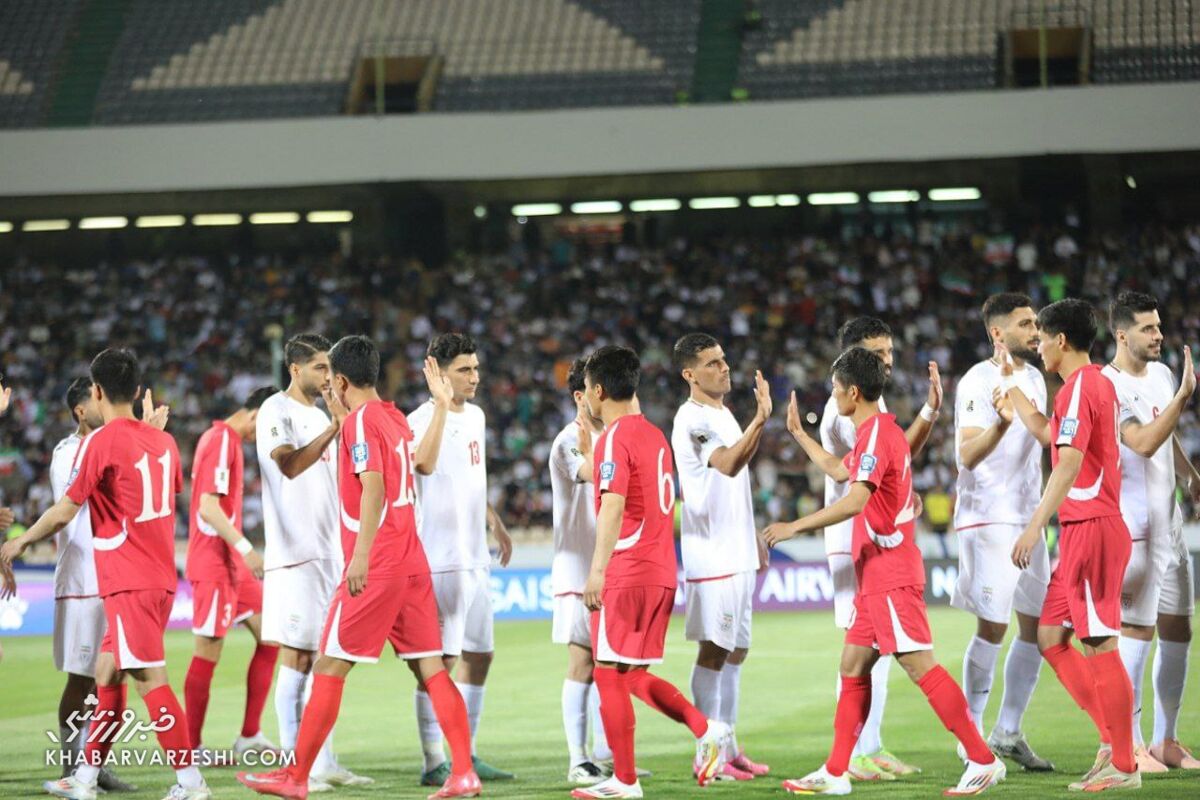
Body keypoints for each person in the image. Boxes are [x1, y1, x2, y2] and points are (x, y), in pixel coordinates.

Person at [238, 335, 481, 800]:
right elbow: (420, 464)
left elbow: (373, 487)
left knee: (328, 666)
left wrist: (361, 556)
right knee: (432, 669)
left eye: (333, 378)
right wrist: (437, 406)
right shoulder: (390, 416)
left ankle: (296, 777)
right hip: (412, 562)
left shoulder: (362, 423)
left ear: (343, 379)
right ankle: (464, 772)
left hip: (379, 563)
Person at [765, 347, 1005, 796]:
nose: (833, 396)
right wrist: (798, 434)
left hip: (890, 572)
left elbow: (855, 500)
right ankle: (836, 771)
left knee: (919, 665)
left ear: (853, 392)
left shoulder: (876, 435)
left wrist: (794, 527)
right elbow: (838, 470)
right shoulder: (878, 433)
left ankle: (982, 758)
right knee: (853, 666)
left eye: (836, 389)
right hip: (874, 575)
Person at [2, 349, 211, 800]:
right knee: (107, 674)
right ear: (136, 391)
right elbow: (160, 489)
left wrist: (20, 542)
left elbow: (65, 510)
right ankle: (85, 778)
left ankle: (191, 782)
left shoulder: (101, 442)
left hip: (130, 578)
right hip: (155, 576)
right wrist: (146, 434)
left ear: (96, 391)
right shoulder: (166, 442)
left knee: (150, 680)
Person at [572, 345, 730, 800]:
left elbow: (614, 505)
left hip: (626, 570)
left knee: (607, 673)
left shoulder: (615, 439)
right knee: (632, 675)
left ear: (598, 391)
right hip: (660, 570)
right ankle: (706, 729)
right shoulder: (654, 435)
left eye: (588, 388)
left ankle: (625, 780)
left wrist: (597, 571)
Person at [1004, 298, 1140, 791]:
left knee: (1100, 643)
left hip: (1093, 527)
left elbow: (1068, 463)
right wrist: (1014, 393)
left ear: (1061, 340)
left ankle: (1124, 765)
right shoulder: (1088, 384)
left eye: (1041, 338)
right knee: (1050, 636)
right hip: (1083, 527)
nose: (1037, 346)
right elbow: (1052, 436)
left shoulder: (1082, 387)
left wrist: (1034, 526)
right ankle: (1111, 740)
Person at [817, 317, 941, 780]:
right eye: (877, 353)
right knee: (858, 650)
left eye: (889, 351)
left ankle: (868, 746)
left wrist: (904, 488)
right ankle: (855, 753)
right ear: (851, 357)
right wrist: (927, 415)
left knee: (873, 649)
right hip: (855, 538)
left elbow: (893, 460)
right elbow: (861, 472)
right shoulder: (844, 408)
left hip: (872, 534)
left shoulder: (873, 400)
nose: (888, 360)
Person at [256, 334, 370, 790]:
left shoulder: (322, 414)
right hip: (295, 555)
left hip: (329, 552)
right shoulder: (275, 410)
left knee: (325, 660)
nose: (328, 376)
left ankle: (322, 762)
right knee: (298, 657)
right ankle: (293, 764)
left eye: (330, 368)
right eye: (320, 367)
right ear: (295, 368)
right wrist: (333, 431)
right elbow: (286, 465)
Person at [950, 293, 1054, 770]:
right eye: (1025, 323)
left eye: (1036, 323)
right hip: (988, 517)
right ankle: (970, 735)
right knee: (992, 626)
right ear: (998, 332)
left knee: (1038, 627)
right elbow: (967, 455)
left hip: (1029, 517)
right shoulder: (977, 380)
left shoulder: (1034, 378)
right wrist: (999, 423)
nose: (1035, 330)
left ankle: (1008, 731)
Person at [407, 333, 514, 786]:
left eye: (476, 369)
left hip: (475, 557)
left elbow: (470, 477)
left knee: (480, 655)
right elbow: (424, 465)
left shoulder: (477, 416)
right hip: (440, 559)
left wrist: (494, 521)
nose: (474, 377)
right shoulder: (418, 419)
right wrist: (438, 405)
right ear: (437, 371)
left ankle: (465, 750)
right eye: (464, 370)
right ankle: (434, 760)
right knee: (441, 664)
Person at [1101, 291, 1199, 771]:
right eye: (1148, 328)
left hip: (1170, 525)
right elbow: (1141, 442)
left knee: (1179, 629)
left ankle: (1166, 740)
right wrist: (1183, 398)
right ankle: (1132, 744)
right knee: (1136, 633)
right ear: (1122, 335)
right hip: (1135, 527)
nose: (1159, 335)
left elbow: (1166, 433)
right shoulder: (1108, 386)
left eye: (1158, 326)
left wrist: (1190, 476)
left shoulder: (1159, 374)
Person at [670, 333, 772, 781]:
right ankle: (706, 753)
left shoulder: (724, 413)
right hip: (712, 558)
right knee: (714, 652)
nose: (724, 367)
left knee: (737, 650)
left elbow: (734, 483)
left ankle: (728, 746)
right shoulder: (692, 419)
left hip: (737, 552)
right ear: (690, 374)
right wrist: (761, 420)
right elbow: (728, 463)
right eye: (712, 363)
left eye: (724, 359)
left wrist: (752, 537)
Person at [44, 378, 137, 790]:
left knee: (108, 678)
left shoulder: (108, 444)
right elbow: (78, 501)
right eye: (97, 402)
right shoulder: (68, 452)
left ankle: (93, 766)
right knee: (81, 679)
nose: (106, 406)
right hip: (82, 578)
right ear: (81, 411)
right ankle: (71, 766)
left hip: (113, 577)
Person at [183, 386, 282, 761]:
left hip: (232, 566)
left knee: (270, 637)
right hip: (214, 563)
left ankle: (249, 734)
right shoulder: (222, 440)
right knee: (208, 652)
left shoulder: (225, 440)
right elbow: (208, 507)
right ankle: (191, 747)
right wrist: (245, 548)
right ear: (256, 415)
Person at [548, 357, 610, 783]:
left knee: (609, 665)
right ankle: (578, 758)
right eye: (597, 388)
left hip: (607, 569)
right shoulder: (568, 441)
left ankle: (606, 753)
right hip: (577, 571)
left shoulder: (610, 437)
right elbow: (591, 473)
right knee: (582, 663)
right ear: (580, 395)